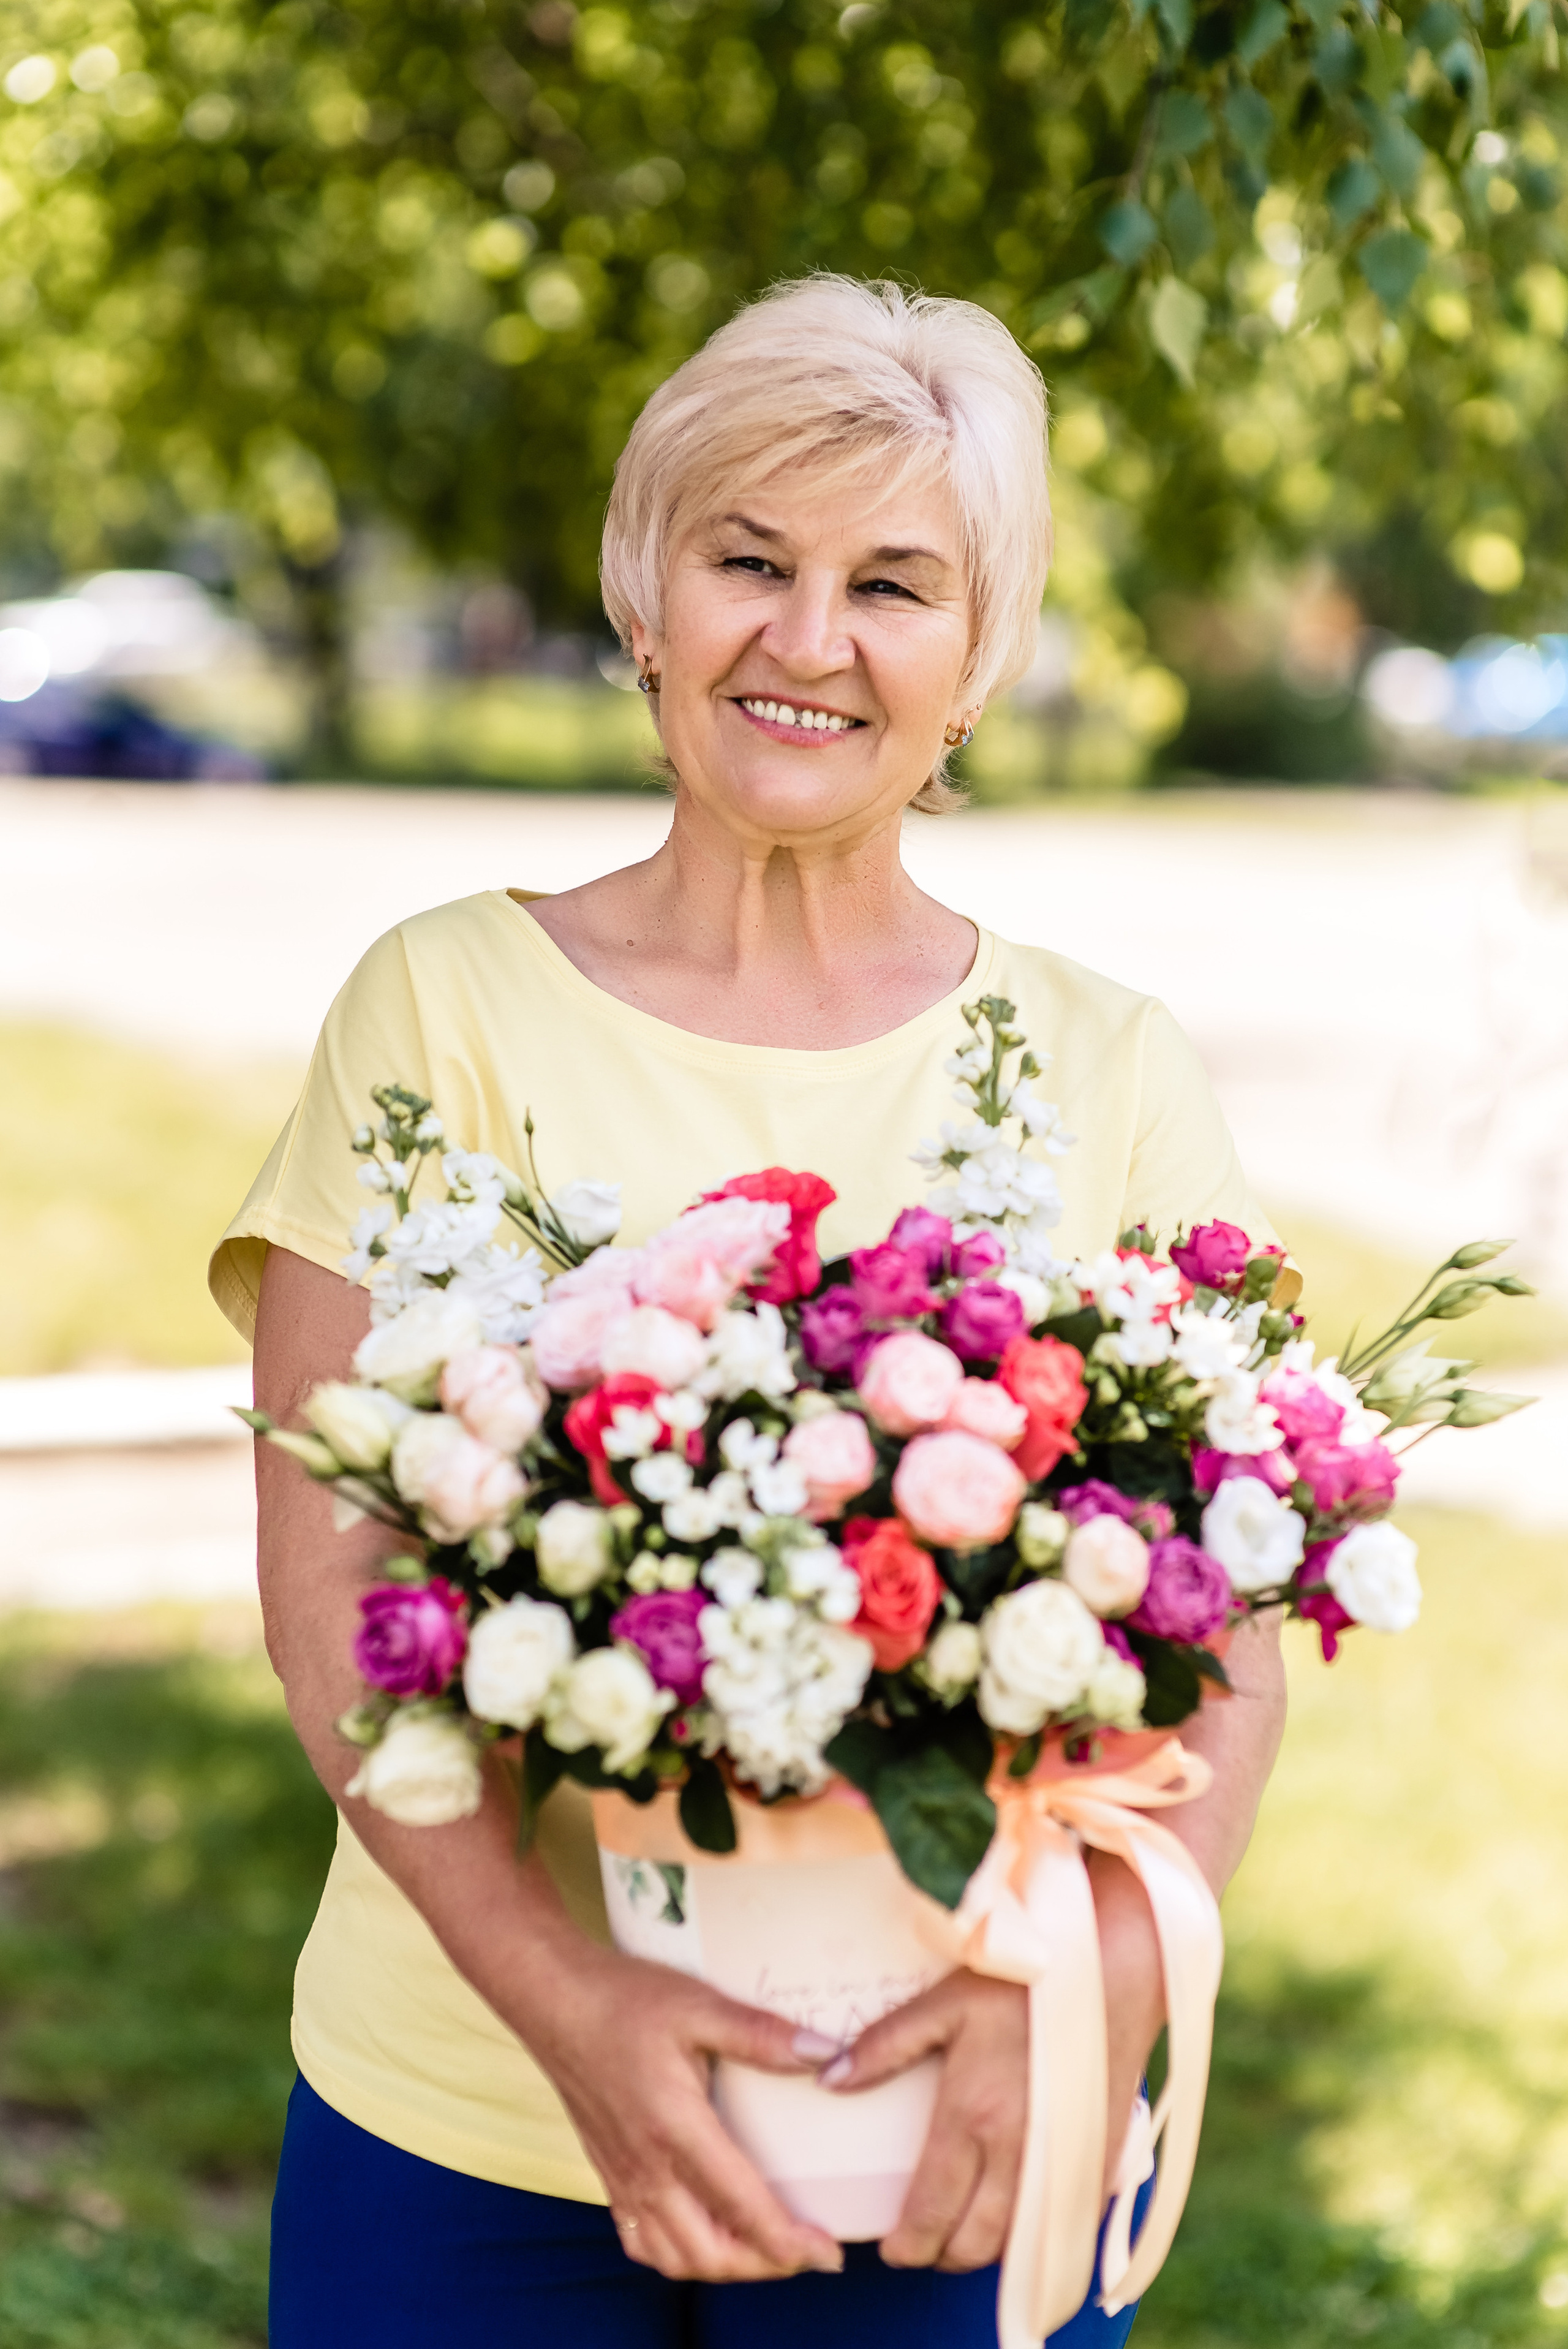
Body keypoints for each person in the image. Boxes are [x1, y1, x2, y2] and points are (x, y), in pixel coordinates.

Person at [211, 275, 1287, 2349]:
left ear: (976, 662)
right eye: (748, 560)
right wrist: (582, 2014)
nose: (809, 640)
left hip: (959, 2123)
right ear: (646, 595)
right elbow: (338, 1605)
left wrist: (1086, 1995)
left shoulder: (1109, 1066)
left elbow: (1227, 1646)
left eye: (894, 582)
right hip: (465, 2114)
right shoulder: (439, 1005)